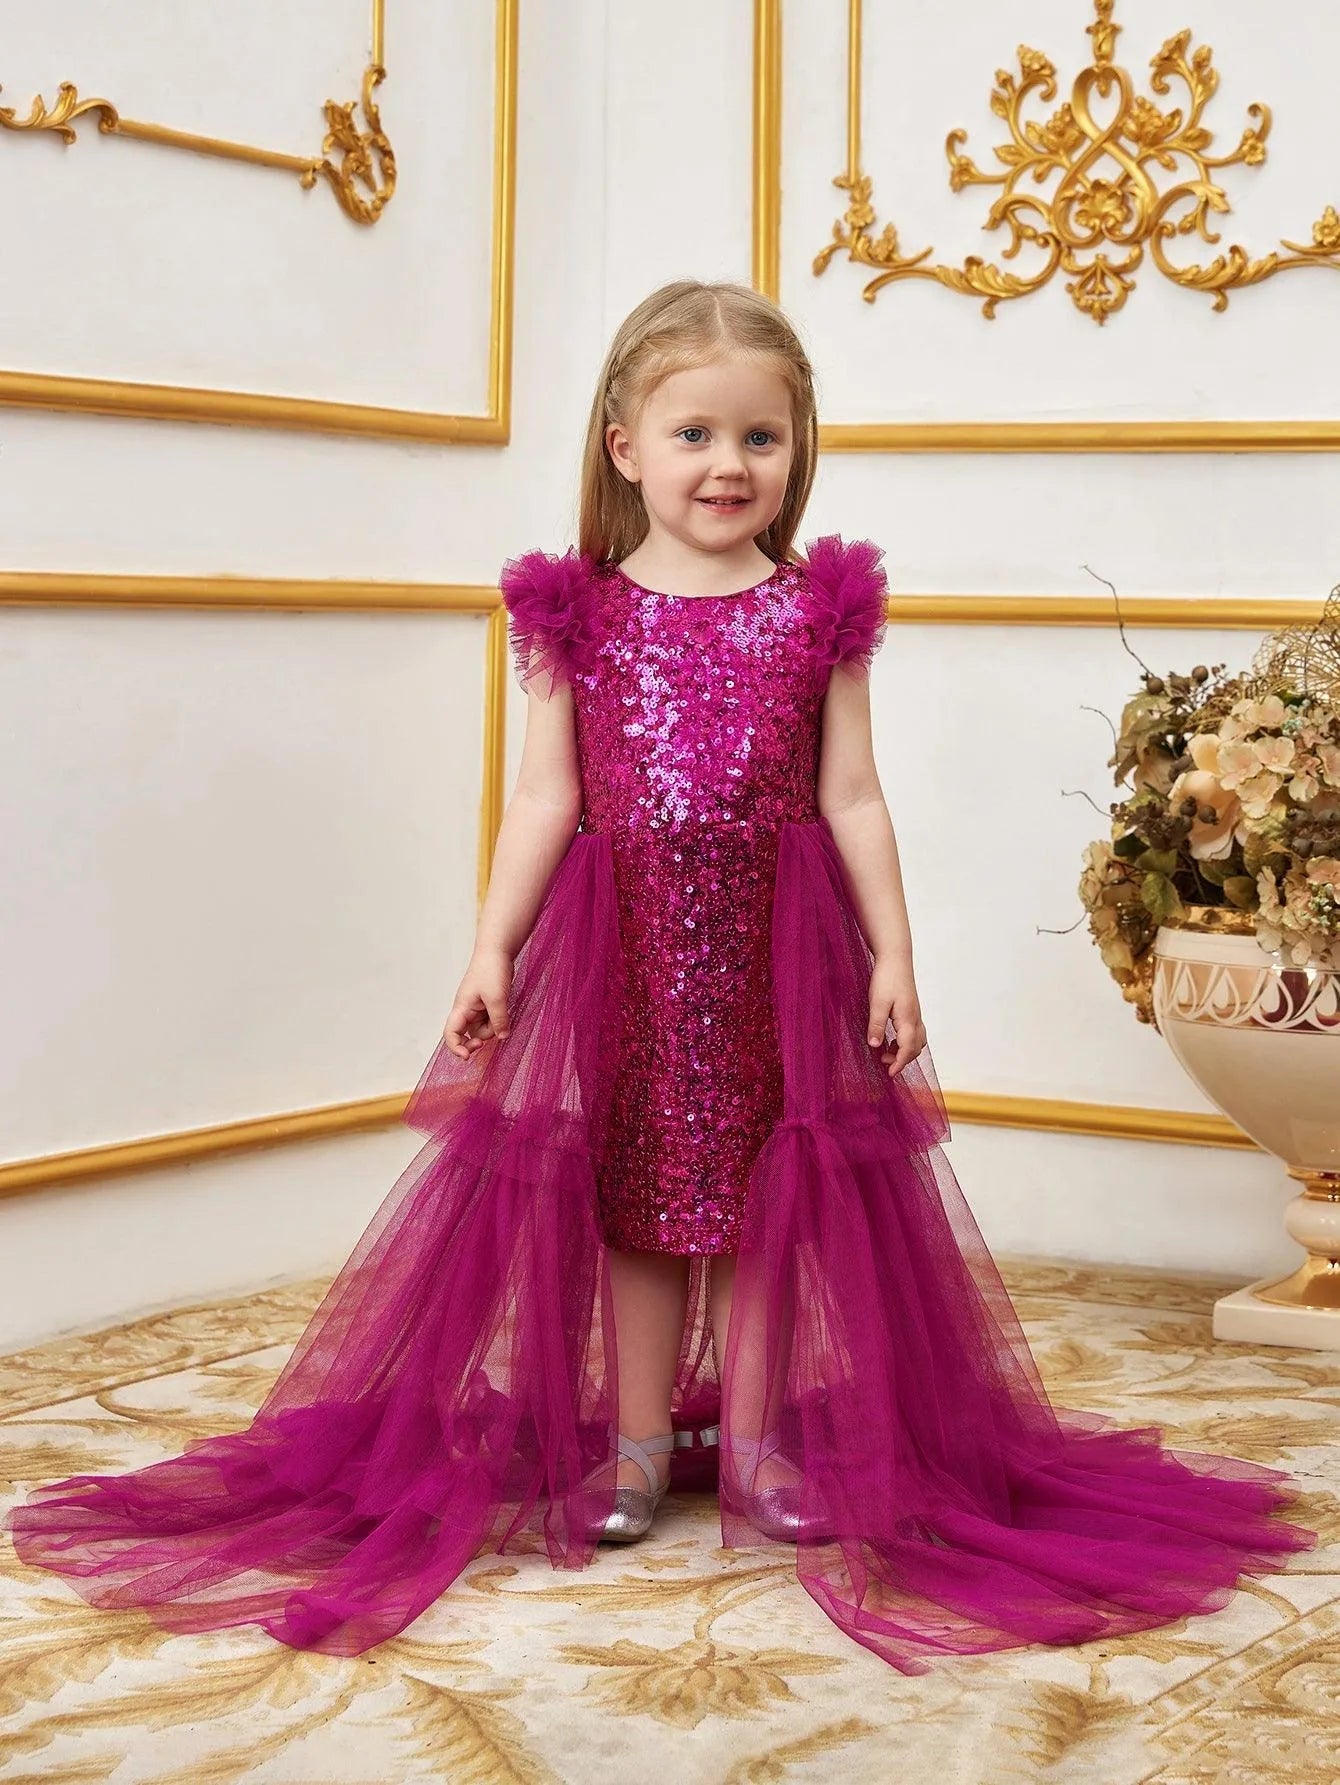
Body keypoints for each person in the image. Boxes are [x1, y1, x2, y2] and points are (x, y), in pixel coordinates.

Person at [6, 280, 1316, 1673]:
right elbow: (544, 797)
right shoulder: (579, 615)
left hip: (777, 954)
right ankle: (635, 1447)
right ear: (625, 445)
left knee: (762, 1196)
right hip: (623, 949)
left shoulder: (815, 613)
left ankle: (752, 1447)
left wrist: (894, 954)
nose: (728, 465)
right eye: (695, 434)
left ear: (797, 449)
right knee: (633, 1199)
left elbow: (854, 794)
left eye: (761, 436)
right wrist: (491, 945)